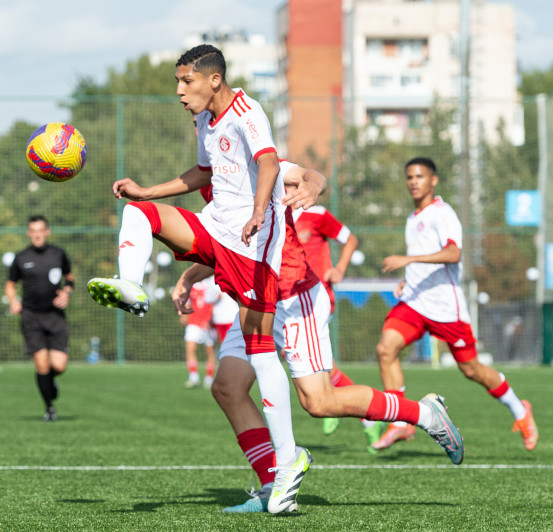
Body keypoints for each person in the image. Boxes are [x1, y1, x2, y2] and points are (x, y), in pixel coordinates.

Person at [87, 44, 309, 514]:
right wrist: (150, 188)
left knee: (260, 350)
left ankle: (288, 462)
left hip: (253, 248)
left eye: (186, 81)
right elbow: (205, 172)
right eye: (177, 82)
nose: (179, 91)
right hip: (214, 228)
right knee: (140, 212)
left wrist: (255, 213)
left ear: (213, 80)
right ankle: (130, 285)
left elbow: (269, 164)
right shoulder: (204, 120)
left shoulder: (248, 112)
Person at [173, 160, 465, 513]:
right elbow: (229, 244)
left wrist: (313, 185)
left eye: (200, 112)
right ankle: (272, 485)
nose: (187, 106)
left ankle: (424, 414)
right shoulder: (215, 172)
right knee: (228, 388)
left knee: (319, 402)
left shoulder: (252, 152)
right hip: (254, 299)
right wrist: (189, 277)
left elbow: (309, 176)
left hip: (294, 300)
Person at [372, 157, 539, 452]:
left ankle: (520, 410)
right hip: (415, 303)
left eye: (419, 176)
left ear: (433, 180)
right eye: (409, 176)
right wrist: (408, 279)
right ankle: (400, 422)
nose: (413, 181)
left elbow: (453, 254)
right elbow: (426, 259)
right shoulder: (413, 217)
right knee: (386, 349)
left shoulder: (443, 213)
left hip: (446, 309)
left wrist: (408, 260)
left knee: (472, 369)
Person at [289, 184, 382, 444]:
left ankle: (362, 412)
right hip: (289, 302)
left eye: (289, 182)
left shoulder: (317, 214)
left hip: (317, 299)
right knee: (320, 367)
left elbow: (350, 239)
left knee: (315, 367)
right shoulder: (275, 215)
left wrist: (339, 268)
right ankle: (348, 410)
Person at [5, 215, 75, 422]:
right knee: (41, 364)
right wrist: (12, 301)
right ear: (28, 233)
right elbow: (10, 284)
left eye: (40, 230)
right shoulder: (21, 258)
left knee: (59, 366)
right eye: (33, 231)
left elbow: (69, 277)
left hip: (55, 316)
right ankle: (49, 408)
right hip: (31, 317)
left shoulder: (58, 254)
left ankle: (49, 382)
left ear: (47, 231)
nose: (37, 234)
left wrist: (67, 293)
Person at [181, 276, 218, 389]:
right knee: (190, 348)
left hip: (208, 324)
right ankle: (194, 378)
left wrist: (209, 319)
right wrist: (184, 315)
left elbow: (214, 304)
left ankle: (209, 379)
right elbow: (187, 301)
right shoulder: (192, 284)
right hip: (193, 322)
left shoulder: (211, 284)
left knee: (210, 351)